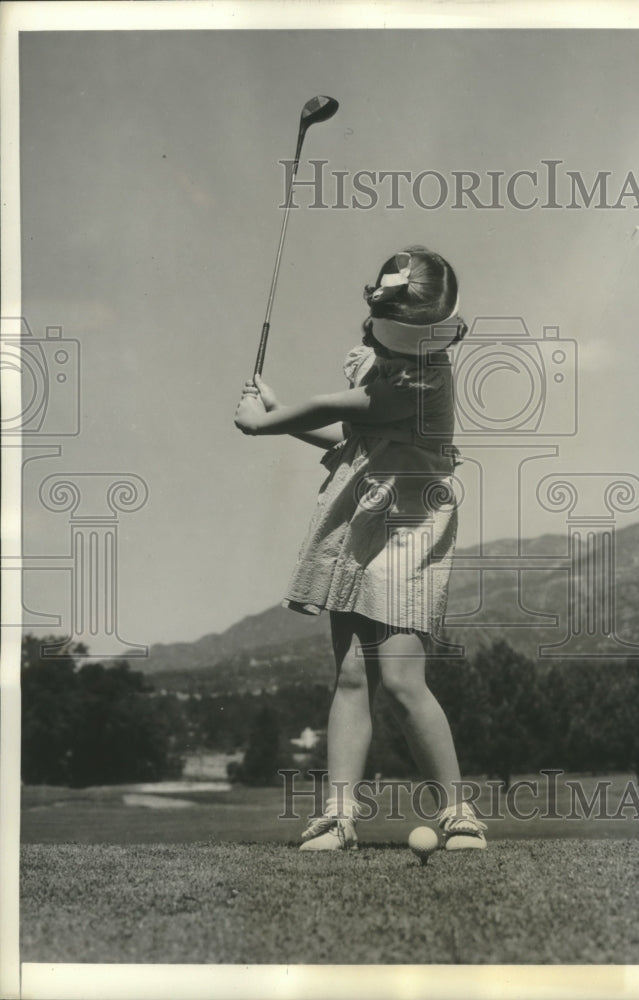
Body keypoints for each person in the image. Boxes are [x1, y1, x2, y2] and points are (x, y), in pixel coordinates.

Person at [234, 246, 487, 852]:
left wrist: (263, 422)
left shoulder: (423, 376)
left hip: (410, 521)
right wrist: (276, 414)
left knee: (400, 680)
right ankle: (338, 817)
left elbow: (337, 408)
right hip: (363, 513)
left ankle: (459, 814)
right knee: (351, 674)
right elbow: (347, 437)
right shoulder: (384, 360)